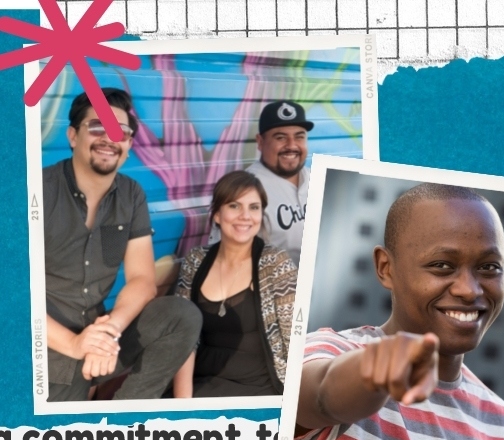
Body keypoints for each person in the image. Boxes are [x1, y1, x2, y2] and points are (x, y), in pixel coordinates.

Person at [285, 184, 504, 440]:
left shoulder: (503, 429)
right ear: (386, 268)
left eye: (488, 267)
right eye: (442, 265)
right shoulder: (330, 351)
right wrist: (376, 371)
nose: (469, 289)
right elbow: (322, 393)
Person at [43, 88, 201, 402]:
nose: (108, 138)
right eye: (97, 128)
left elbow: (143, 281)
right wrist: (76, 344)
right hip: (43, 347)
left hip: (100, 341)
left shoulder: (131, 195)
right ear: (73, 136)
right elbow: (11, 296)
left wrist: (109, 331)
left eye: (120, 132)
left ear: (128, 145)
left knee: (181, 315)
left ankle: (125, 423)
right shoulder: (36, 191)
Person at [173, 171, 296, 397]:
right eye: (234, 206)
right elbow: (182, 339)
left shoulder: (275, 263)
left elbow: (293, 338)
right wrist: (183, 404)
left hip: (257, 388)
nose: (245, 216)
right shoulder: (195, 261)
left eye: (254, 207)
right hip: (201, 383)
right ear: (217, 214)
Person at [210, 100, 313, 267]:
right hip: (274, 290)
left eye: (299, 137)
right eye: (280, 137)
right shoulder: (242, 191)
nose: (292, 145)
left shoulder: (319, 180)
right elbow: (226, 264)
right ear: (260, 142)